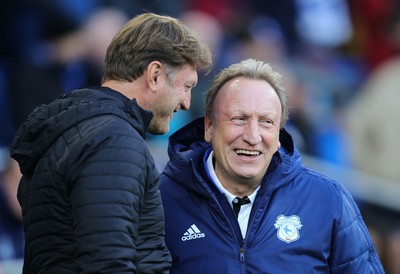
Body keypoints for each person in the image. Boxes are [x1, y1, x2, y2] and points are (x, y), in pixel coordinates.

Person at [10, 12, 212, 274]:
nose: (186, 102)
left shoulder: (81, 128)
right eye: (186, 86)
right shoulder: (114, 142)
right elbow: (107, 264)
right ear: (154, 75)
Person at [159, 58, 384, 273]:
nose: (253, 136)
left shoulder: (328, 200)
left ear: (279, 134)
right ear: (209, 126)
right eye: (239, 118)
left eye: (266, 122)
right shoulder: (161, 198)